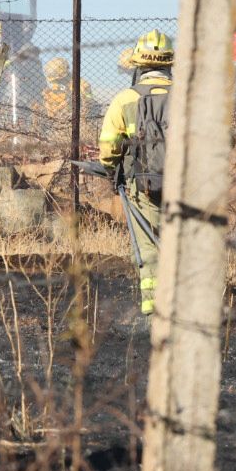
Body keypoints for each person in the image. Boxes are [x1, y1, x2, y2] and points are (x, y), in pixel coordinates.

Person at [99, 29, 174, 316]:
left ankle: (153, 302)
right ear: (169, 63)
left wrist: (110, 170)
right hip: (185, 186)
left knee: (148, 241)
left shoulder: (124, 99)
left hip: (141, 183)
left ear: (139, 65)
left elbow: (108, 147)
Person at [38, 56, 96, 137]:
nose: (55, 82)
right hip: (56, 121)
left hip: (79, 117)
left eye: (57, 80)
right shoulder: (53, 87)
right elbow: (49, 104)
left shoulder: (82, 85)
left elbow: (89, 102)